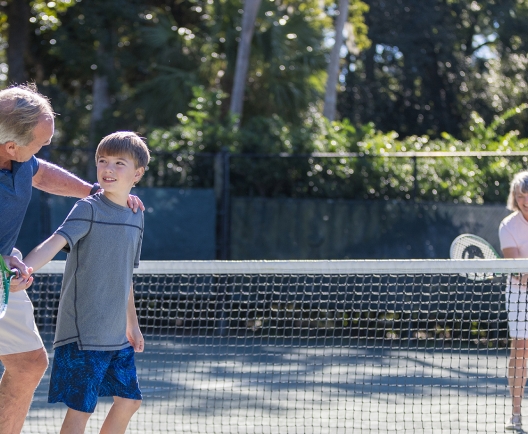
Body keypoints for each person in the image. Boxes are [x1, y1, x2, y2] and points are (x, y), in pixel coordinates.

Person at [0, 84, 144, 434]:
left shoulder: (20, 161)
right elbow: (52, 243)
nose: (46, 146)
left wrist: (95, 191)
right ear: (10, 146)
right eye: (40, 142)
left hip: (6, 274)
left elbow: (40, 172)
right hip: (7, 269)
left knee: (29, 363)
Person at [499, 170, 528, 432]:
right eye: (521, 197)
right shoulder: (508, 226)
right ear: (515, 197)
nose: (526, 201)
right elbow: (516, 267)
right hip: (519, 292)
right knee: (520, 347)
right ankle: (516, 414)